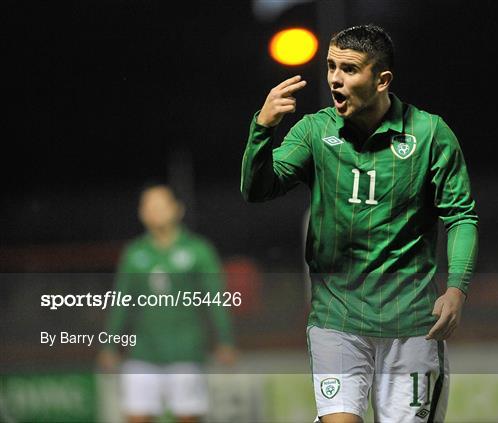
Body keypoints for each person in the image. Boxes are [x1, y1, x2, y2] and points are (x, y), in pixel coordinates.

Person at [241, 24, 478, 423]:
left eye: (349, 69)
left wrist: (457, 289)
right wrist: (261, 129)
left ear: (382, 79)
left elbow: (461, 215)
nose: (335, 77)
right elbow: (257, 189)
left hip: (412, 323)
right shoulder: (314, 131)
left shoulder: (430, 134)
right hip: (337, 320)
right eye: (331, 66)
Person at [98, 184, 236, 423]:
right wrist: (110, 345)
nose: (155, 211)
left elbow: (216, 300)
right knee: (137, 416)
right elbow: (121, 303)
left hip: (186, 351)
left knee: (188, 417)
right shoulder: (134, 254)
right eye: (149, 206)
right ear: (141, 213)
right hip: (142, 352)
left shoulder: (198, 251)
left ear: (176, 209)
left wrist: (225, 340)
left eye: (161, 205)